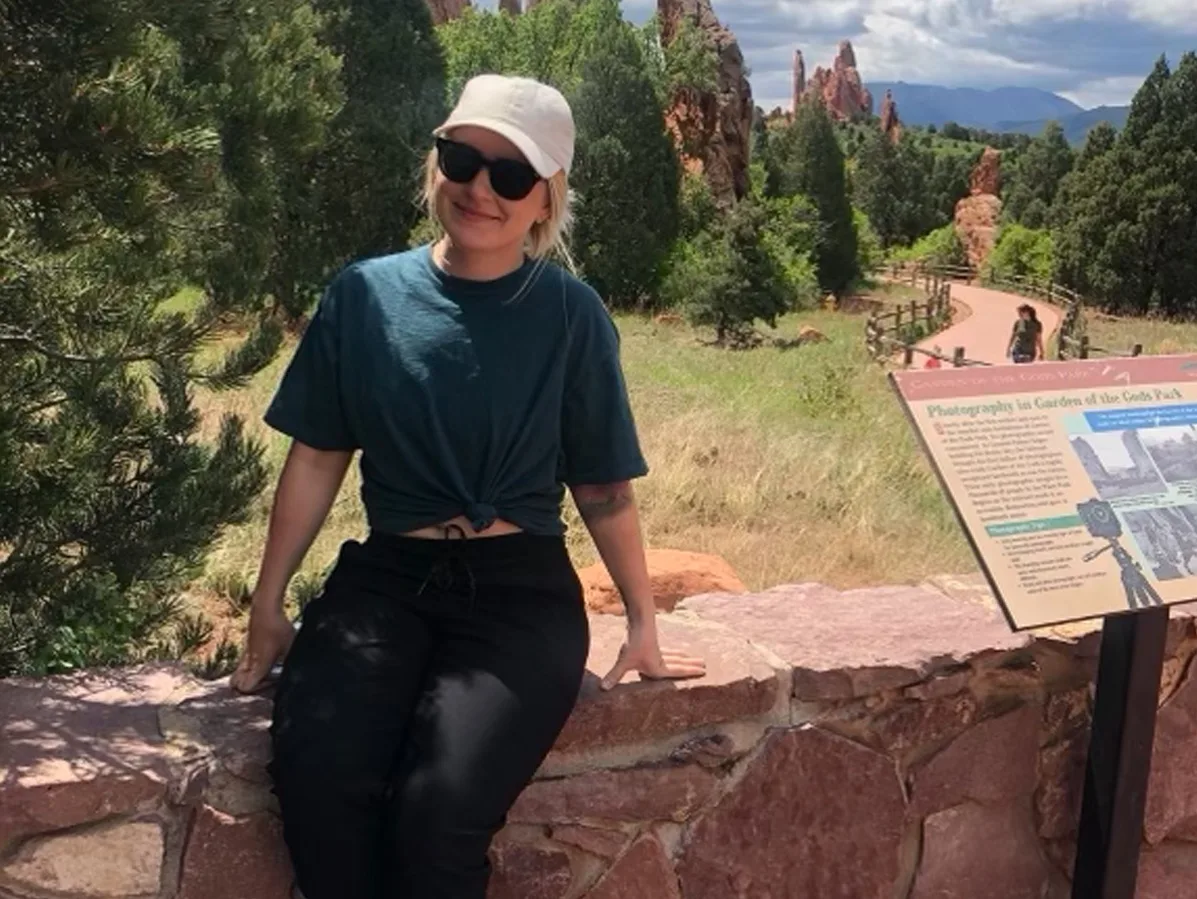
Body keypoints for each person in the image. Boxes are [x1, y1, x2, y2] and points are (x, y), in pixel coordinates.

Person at [229, 74, 706, 898]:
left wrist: (640, 618)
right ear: (437, 164)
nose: (480, 188)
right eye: (463, 158)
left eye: (511, 175)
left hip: (518, 593)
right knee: (319, 787)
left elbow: (601, 485)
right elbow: (315, 456)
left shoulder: (570, 315)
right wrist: (268, 606)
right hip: (384, 580)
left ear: (544, 201)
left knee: (437, 815)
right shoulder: (365, 296)